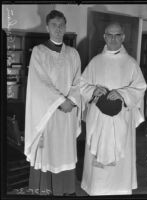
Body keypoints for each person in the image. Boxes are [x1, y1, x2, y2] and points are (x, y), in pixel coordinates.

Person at [80, 22, 147, 195]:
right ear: (104, 37)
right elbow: (81, 85)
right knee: (98, 166)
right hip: (99, 118)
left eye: (117, 35)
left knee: (119, 164)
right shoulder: (95, 62)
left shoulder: (131, 63)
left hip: (121, 118)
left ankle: (119, 189)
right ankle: (96, 189)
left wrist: (123, 94)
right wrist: (94, 90)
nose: (113, 39)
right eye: (110, 35)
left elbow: (140, 87)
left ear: (123, 37)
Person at [24, 10, 81, 196]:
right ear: (47, 27)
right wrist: (60, 101)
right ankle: (46, 191)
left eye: (62, 25)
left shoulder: (73, 54)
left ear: (65, 27)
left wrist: (71, 101)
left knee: (65, 151)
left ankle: (65, 190)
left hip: (68, 114)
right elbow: (39, 83)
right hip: (47, 114)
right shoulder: (39, 52)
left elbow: (78, 82)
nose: (58, 29)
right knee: (48, 153)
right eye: (54, 25)